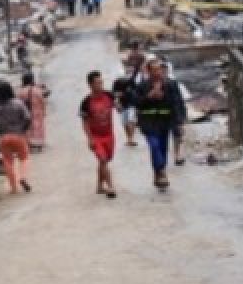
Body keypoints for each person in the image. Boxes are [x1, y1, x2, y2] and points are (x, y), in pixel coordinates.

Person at [131, 57, 187, 190]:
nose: (158, 72)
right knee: (154, 146)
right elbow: (136, 102)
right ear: (149, 72)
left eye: (159, 69)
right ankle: (161, 172)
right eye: (154, 70)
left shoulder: (171, 84)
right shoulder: (142, 86)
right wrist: (149, 96)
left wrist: (180, 121)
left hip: (165, 122)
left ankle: (158, 173)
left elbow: (177, 103)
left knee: (162, 148)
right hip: (148, 123)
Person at [0, 82, 32, 194]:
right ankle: (22, 178)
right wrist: (24, 129)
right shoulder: (18, 103)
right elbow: (27, 118)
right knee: (23, 158)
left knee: (8, 162)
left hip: (4, 138)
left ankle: (13, 188)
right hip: (18, 135)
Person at [80, 71, 118, 198]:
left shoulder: (109, 95)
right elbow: (84, 122)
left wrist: (120, 103)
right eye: (97, 83)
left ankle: (99, 186)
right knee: (102, 159)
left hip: (109, 135)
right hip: (96, 137)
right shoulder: (86, 102)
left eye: (101, 82)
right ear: (90, 85)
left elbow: (118, 107)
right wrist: (89, 138)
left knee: (104, 161)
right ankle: (110, 186)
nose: (100, 85)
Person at [19, 72, 48, 151]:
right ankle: (39, 145)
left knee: (28, 128)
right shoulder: (37, 90)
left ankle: (29, 144)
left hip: (26, 112)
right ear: (32, 80)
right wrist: (44, 110)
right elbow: (42, 101)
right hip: (37, 112)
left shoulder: (21, 91)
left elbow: (19, 103)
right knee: (39, 127)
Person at [112, 65, 139, 147]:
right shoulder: (116, 83)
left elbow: (136, 91)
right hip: (122, 104)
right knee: (125, 123)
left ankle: (131, 138)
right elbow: (113, 94)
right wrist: (117, 103)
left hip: (131, 104)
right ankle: (129, 138)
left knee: (131, 120)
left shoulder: (131, 81)